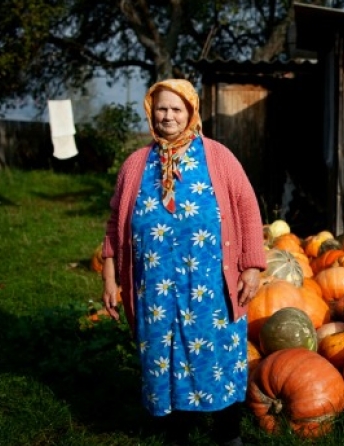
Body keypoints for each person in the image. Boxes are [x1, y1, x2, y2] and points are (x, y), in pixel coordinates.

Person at [101, 78, 266, 446]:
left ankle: (227, 433)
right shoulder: (135, 165)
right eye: (161, 108)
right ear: (150, 111)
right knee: (163, 355)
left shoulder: (218, 157)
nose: (168, 116)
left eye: (177, 109)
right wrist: (110, 275)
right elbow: (115, 222)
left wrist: (251, 265)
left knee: (219, 356)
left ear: (191, 112)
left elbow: (248, 209)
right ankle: (176, 433)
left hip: (210, 286)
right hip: (154, 288)